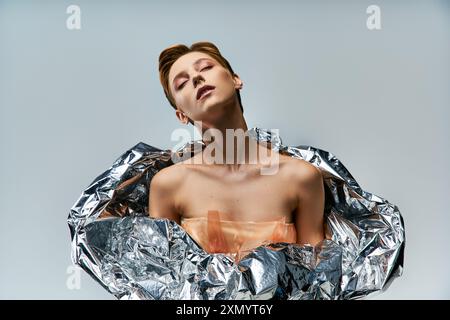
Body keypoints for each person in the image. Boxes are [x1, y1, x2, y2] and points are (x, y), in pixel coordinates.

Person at [149, 41, 326, 262]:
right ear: (181, 115)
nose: (196, 78)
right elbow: (162, 280)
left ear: (236, 80)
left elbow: (316, 278)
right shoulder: (168, 186)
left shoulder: (300, 177)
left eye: (205, 68)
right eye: (182, 83)